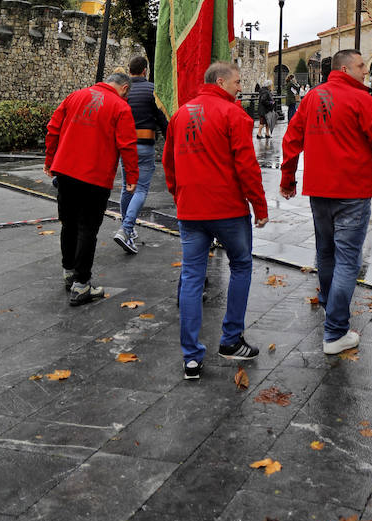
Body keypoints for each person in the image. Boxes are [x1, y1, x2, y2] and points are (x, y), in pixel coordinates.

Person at [280, 49, 372, 354]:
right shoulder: (362, 100)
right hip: (353, 190)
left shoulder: (312, 97)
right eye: (360, 66)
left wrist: (288, 178)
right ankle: (335, 331)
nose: (365, 71)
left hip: (319, 190)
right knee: (347, 259)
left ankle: (332, 308)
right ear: (344, 68)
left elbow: (292, 138)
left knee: (326, 253)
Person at [163, 60, 269, 378]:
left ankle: (191, 357)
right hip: (227, 209)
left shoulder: (181, 114)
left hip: (191, 209)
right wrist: (259, 206)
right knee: (240, 265)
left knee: (193, 278)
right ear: (221, 81)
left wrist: (179, 195)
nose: (241, 88)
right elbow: (246, 165)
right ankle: (230, 339)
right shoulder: (234, 114)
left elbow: (169, 163)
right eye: (237, 82)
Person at [45, 71, 138, 306]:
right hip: (95, 176)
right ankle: (81, 284)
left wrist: (49, 161)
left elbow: (53, 128)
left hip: (65, 170)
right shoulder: (120, 107)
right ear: (125, 88)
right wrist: (132, 176)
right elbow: (127, 145)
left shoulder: (75, 96)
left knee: (69, 223)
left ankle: (69, 271)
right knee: (88, 228)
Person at [113, 54, 166, 255]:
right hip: (144, 144)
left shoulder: (123, 91)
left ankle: (129, 227)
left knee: (128, 187)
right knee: (141, 188)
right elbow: (162, 119)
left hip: (125, 146)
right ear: (145, 70)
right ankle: (126, 229)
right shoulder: (152, 90)